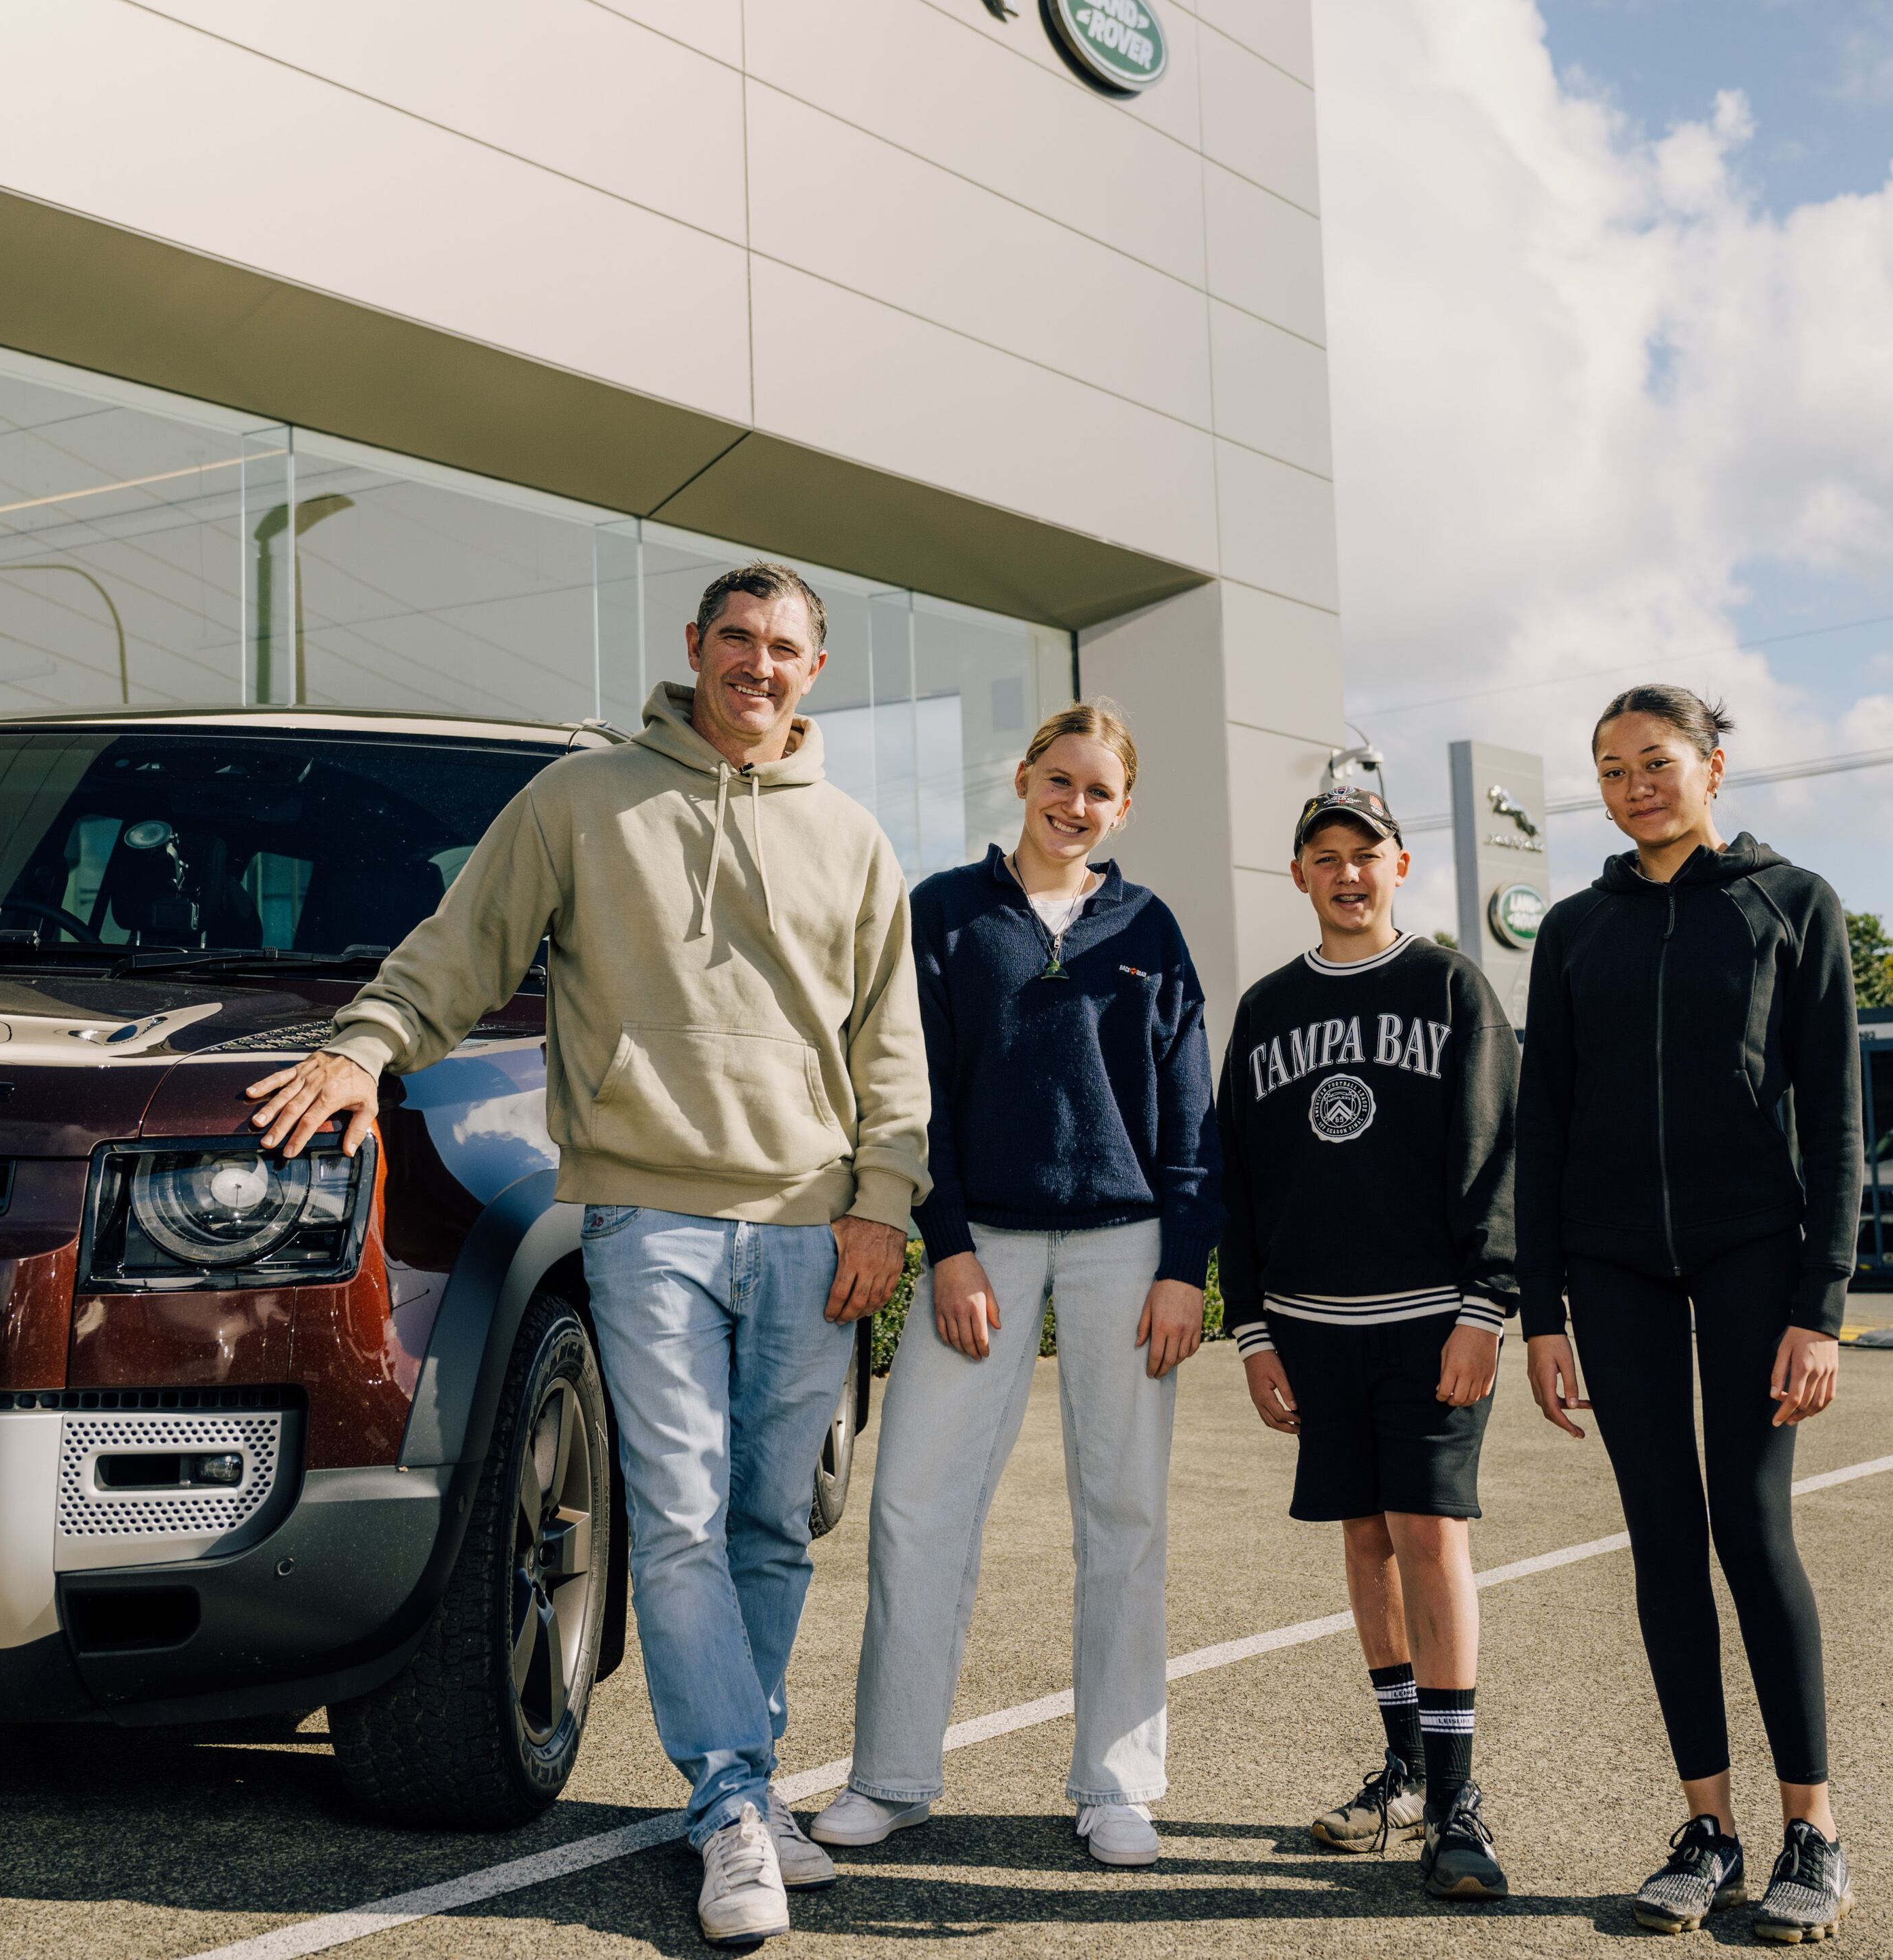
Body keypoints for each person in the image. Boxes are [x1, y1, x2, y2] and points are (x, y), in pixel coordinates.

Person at [244, 563, 922, 1952]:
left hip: (806, 1218)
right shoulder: (582, 799)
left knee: (768, 1524)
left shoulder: (853, 838)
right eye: (735, 637)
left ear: (817, 667)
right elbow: (459, 946)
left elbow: (889, 1045)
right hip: (646, 1214)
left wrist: (884, 1201)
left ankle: (742, 1771)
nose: (758, 664)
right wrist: (363, 1044)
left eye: (784, 646)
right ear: (693, 648)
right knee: (674, 1513)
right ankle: (734, 1797)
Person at [811, 702, 1217, 1871]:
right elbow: (908, 1087)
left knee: (1125, 1513)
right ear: (1024, 780)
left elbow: (1189, 1109)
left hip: (1124, 1244)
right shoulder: (944, 910)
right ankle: (890, 1778)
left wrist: (1186, 1265)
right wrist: (945, 1243)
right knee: (916, 1505)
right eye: (1057, 779)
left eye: (1097, 789)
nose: (1073, 804)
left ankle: (1116, 1783)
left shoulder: (1151, 925)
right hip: (979, 1239)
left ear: (1122, 807)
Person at [1513, 685, 1860, 1944]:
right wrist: (1539, 1309)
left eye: (1655, 762)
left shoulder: (1792, 905)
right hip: (1610, 1269)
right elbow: (1541, 1124)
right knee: (1661, 1534)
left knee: (1748, 1523)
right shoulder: (1574, 930)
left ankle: (1810, 1829)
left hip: (1754, 1256)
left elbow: (1837, 1124)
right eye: (1609, 769)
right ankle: (1708, 1827)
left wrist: (1818, 1308)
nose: (1632, 785)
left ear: (1714, 766)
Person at [1221, 783, 1520, 1904]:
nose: (1348, 872)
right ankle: (1400, 1768)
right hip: (1310, 1327)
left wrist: (1487, 1307)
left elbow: (1499, 1155)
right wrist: (1251, 1329)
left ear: (1402, 865)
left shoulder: (1449, 985)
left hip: (1431, 1318)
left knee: (1430, 1529)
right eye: (1325, 856)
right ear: (1298, 874)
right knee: (1364, 1538)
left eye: (1367, 853)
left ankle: (1455, 1801)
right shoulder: (1265, 1009)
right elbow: (1240, 1183)